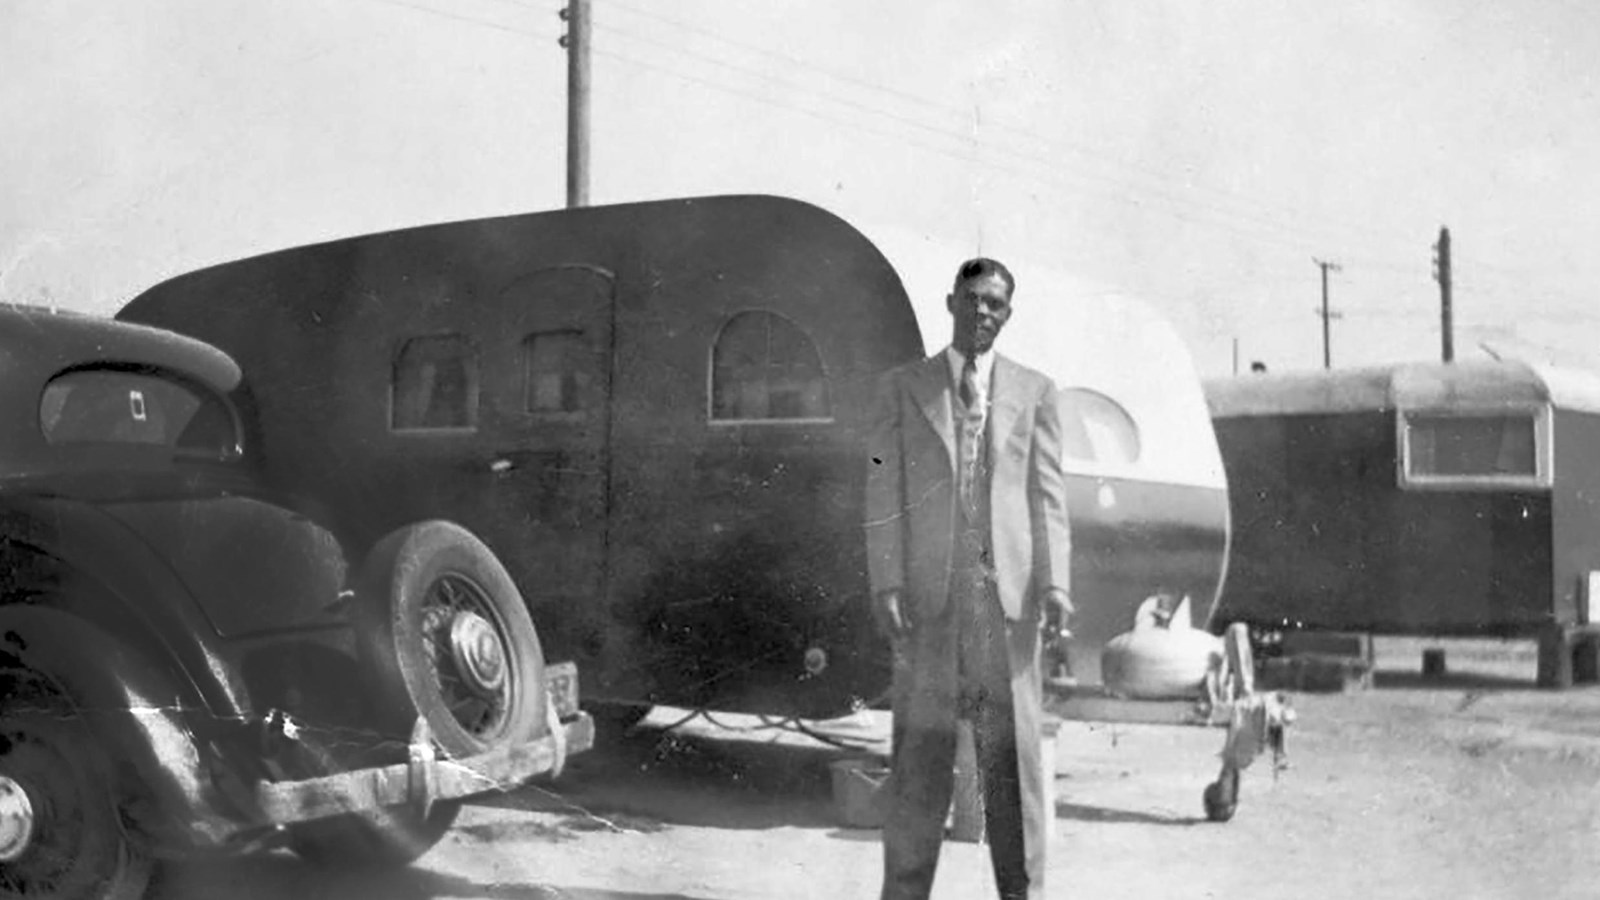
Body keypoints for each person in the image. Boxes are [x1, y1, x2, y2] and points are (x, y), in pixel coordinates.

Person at [864, 257, 1072, 900]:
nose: (984, 313)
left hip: (1006, 612)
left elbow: (1048, 497)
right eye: (974, 300)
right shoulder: (904, 388)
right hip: (932, 603)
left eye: (997, 306)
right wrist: (888, 581)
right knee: (919, 765)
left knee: (1012, 769)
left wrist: (1057, 585)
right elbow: (882, 487)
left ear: (1008, 316)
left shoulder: (1036, 392)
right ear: (949, 300)